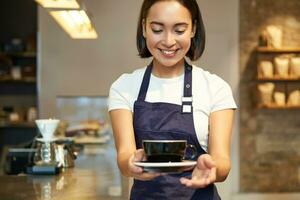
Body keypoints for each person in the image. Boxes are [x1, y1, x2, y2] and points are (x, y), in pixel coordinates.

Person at [108, 0, 237, 199]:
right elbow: (124, 157)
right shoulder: (124, 87)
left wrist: (212, 168)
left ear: (193, 29)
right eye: (157, 29)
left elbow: (222, 162)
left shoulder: (216, 87)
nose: (168, 41)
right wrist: (131, 163)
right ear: (144, 28)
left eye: (179, 30)